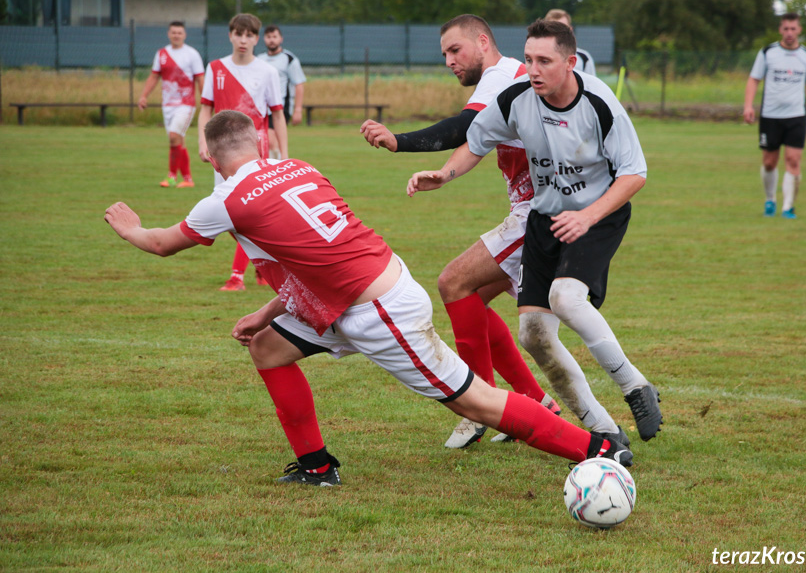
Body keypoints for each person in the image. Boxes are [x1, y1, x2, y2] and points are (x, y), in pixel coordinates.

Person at [104, 109, 633, 487]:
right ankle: (317, 466)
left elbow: (161, 244)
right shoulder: (301, 168)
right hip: (365, 287)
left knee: (474, 400)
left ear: (209, 156)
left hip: (378, 310)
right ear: (261, 143)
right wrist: (266, 312)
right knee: (267, 348)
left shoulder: (226, 201)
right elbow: (315, 263)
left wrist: (129, 229)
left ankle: (598, 449)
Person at [407, 19, 663, 443]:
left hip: (597, 216)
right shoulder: (517, 99)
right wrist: (445, 174)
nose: (533, 70)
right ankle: (602, 430)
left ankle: (635, 386)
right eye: (528, 59)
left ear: (570, 62)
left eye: (544, 61)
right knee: (534, 336)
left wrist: (587, 216)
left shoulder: (599, 101)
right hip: (544, 220)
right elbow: (476, 139)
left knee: (566, 297)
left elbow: (634, 174)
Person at [361, 14, 593, 450]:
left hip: (541, 214)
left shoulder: (500, 76)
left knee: (454, 283)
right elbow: (479, 141)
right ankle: (536, 400)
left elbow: (464, 126)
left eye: (455, 50)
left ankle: (479, 408)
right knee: (476, 300)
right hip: (543, 211)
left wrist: (400, 140)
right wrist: (446, 174)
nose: (449, 60)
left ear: (483, 42)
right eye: (444, 54)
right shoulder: (510, 81)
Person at [197, 13, 288, 291]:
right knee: (230, 218)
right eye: (239, 34)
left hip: (254, 152)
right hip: (222, 154)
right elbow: (205, 110)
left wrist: (284, 154)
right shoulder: (215, 68)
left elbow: (277, 115)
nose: (243, 40)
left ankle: (237, 277)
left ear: (256, 38)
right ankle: (264, 265)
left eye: (249, 35)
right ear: (230, 35)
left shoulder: (268, 72)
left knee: (242, 215)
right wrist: (202, 141)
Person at [743, 11, 806, 220]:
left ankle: (788, 207)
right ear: (780, 29)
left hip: (797, 115)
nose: (789, 32)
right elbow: (753, 79)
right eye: (786, 28)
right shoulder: (768, 52)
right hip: (770, 116)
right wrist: (748, 106)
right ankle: (770, 200)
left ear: (799, 30)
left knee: (793, 160)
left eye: (793, 28)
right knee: (769, 162)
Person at [138, 21, 205, 188]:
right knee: (178, 141)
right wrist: (144, 96)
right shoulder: (161, 53)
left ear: (184, 35)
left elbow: (200, 79)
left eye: (179, 32)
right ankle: (188, 180)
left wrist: (206, 102)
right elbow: (154, 76)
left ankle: (171, 176)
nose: (176, 35)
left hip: (185, 103)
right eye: (173, 32)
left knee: (174, 137)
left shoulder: (192, 54)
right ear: (169, 34)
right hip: (167, 105)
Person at [258, 24, 307, 159]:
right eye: (268, 37)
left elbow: (299, 84)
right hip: (261, 108)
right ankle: (277, 167)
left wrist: (297, 109)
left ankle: (277, 170)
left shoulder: (289, 59)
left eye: (275, 37)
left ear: (281, 39)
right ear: (264, 39)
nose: (272, 40)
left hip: (280, 108)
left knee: (272, 141)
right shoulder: (259, 59)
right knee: (264, 143)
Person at [543, 9, 596, 76]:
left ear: (570, 30)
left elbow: (590, 84)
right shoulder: (536, 56)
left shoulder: (584, 58)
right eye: (553, 28)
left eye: (562, 27)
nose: (558, 32)